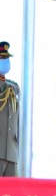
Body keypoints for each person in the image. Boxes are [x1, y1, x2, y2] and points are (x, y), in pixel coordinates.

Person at [0, 41, 18, 177]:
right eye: (1, 58)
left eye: (6, 58)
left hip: (11, 152)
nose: (5, 62)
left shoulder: (13, 88)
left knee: (12, 195)